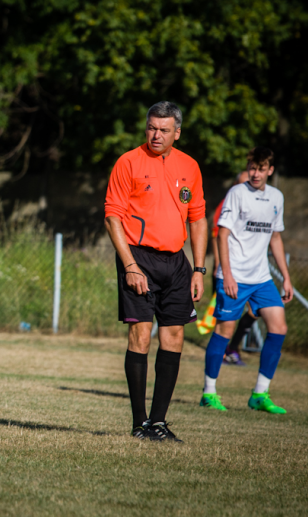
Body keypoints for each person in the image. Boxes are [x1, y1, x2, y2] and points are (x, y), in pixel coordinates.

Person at [104, 101, 207, 442]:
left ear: (177, 132)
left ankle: (159, 423)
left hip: (177, 262)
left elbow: (198, 218)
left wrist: (199, 268)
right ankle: (139, 422)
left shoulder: (189, 166)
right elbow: (112, 217)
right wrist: (130, 265)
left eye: (164, 130)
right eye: (151, 128)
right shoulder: (128, 162)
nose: (156, 135)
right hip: (139, 259)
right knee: (141, 336)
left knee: (174, 337)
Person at [200, 147, 293, 414]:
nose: (255, 173)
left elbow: (275, 238)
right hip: (235, 276)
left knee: (279, 327)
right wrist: (227, 274)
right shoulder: (237, 193)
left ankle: (260, 394)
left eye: (261, 169)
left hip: (262, 277)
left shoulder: (277, 197)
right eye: (252, 167)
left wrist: (286, 278)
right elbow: (222, 233)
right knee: (225, 331)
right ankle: (209, 393)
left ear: (270, 171)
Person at [210, 171, 257, 366]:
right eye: (244, 181)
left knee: (258, 311)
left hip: (254, 271)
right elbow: (216, 233)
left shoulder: (260, 202)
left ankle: (232, 347)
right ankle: (222, 353)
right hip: (230, 268)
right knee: (225, 319)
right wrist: (218, 264)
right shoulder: (229, 202)